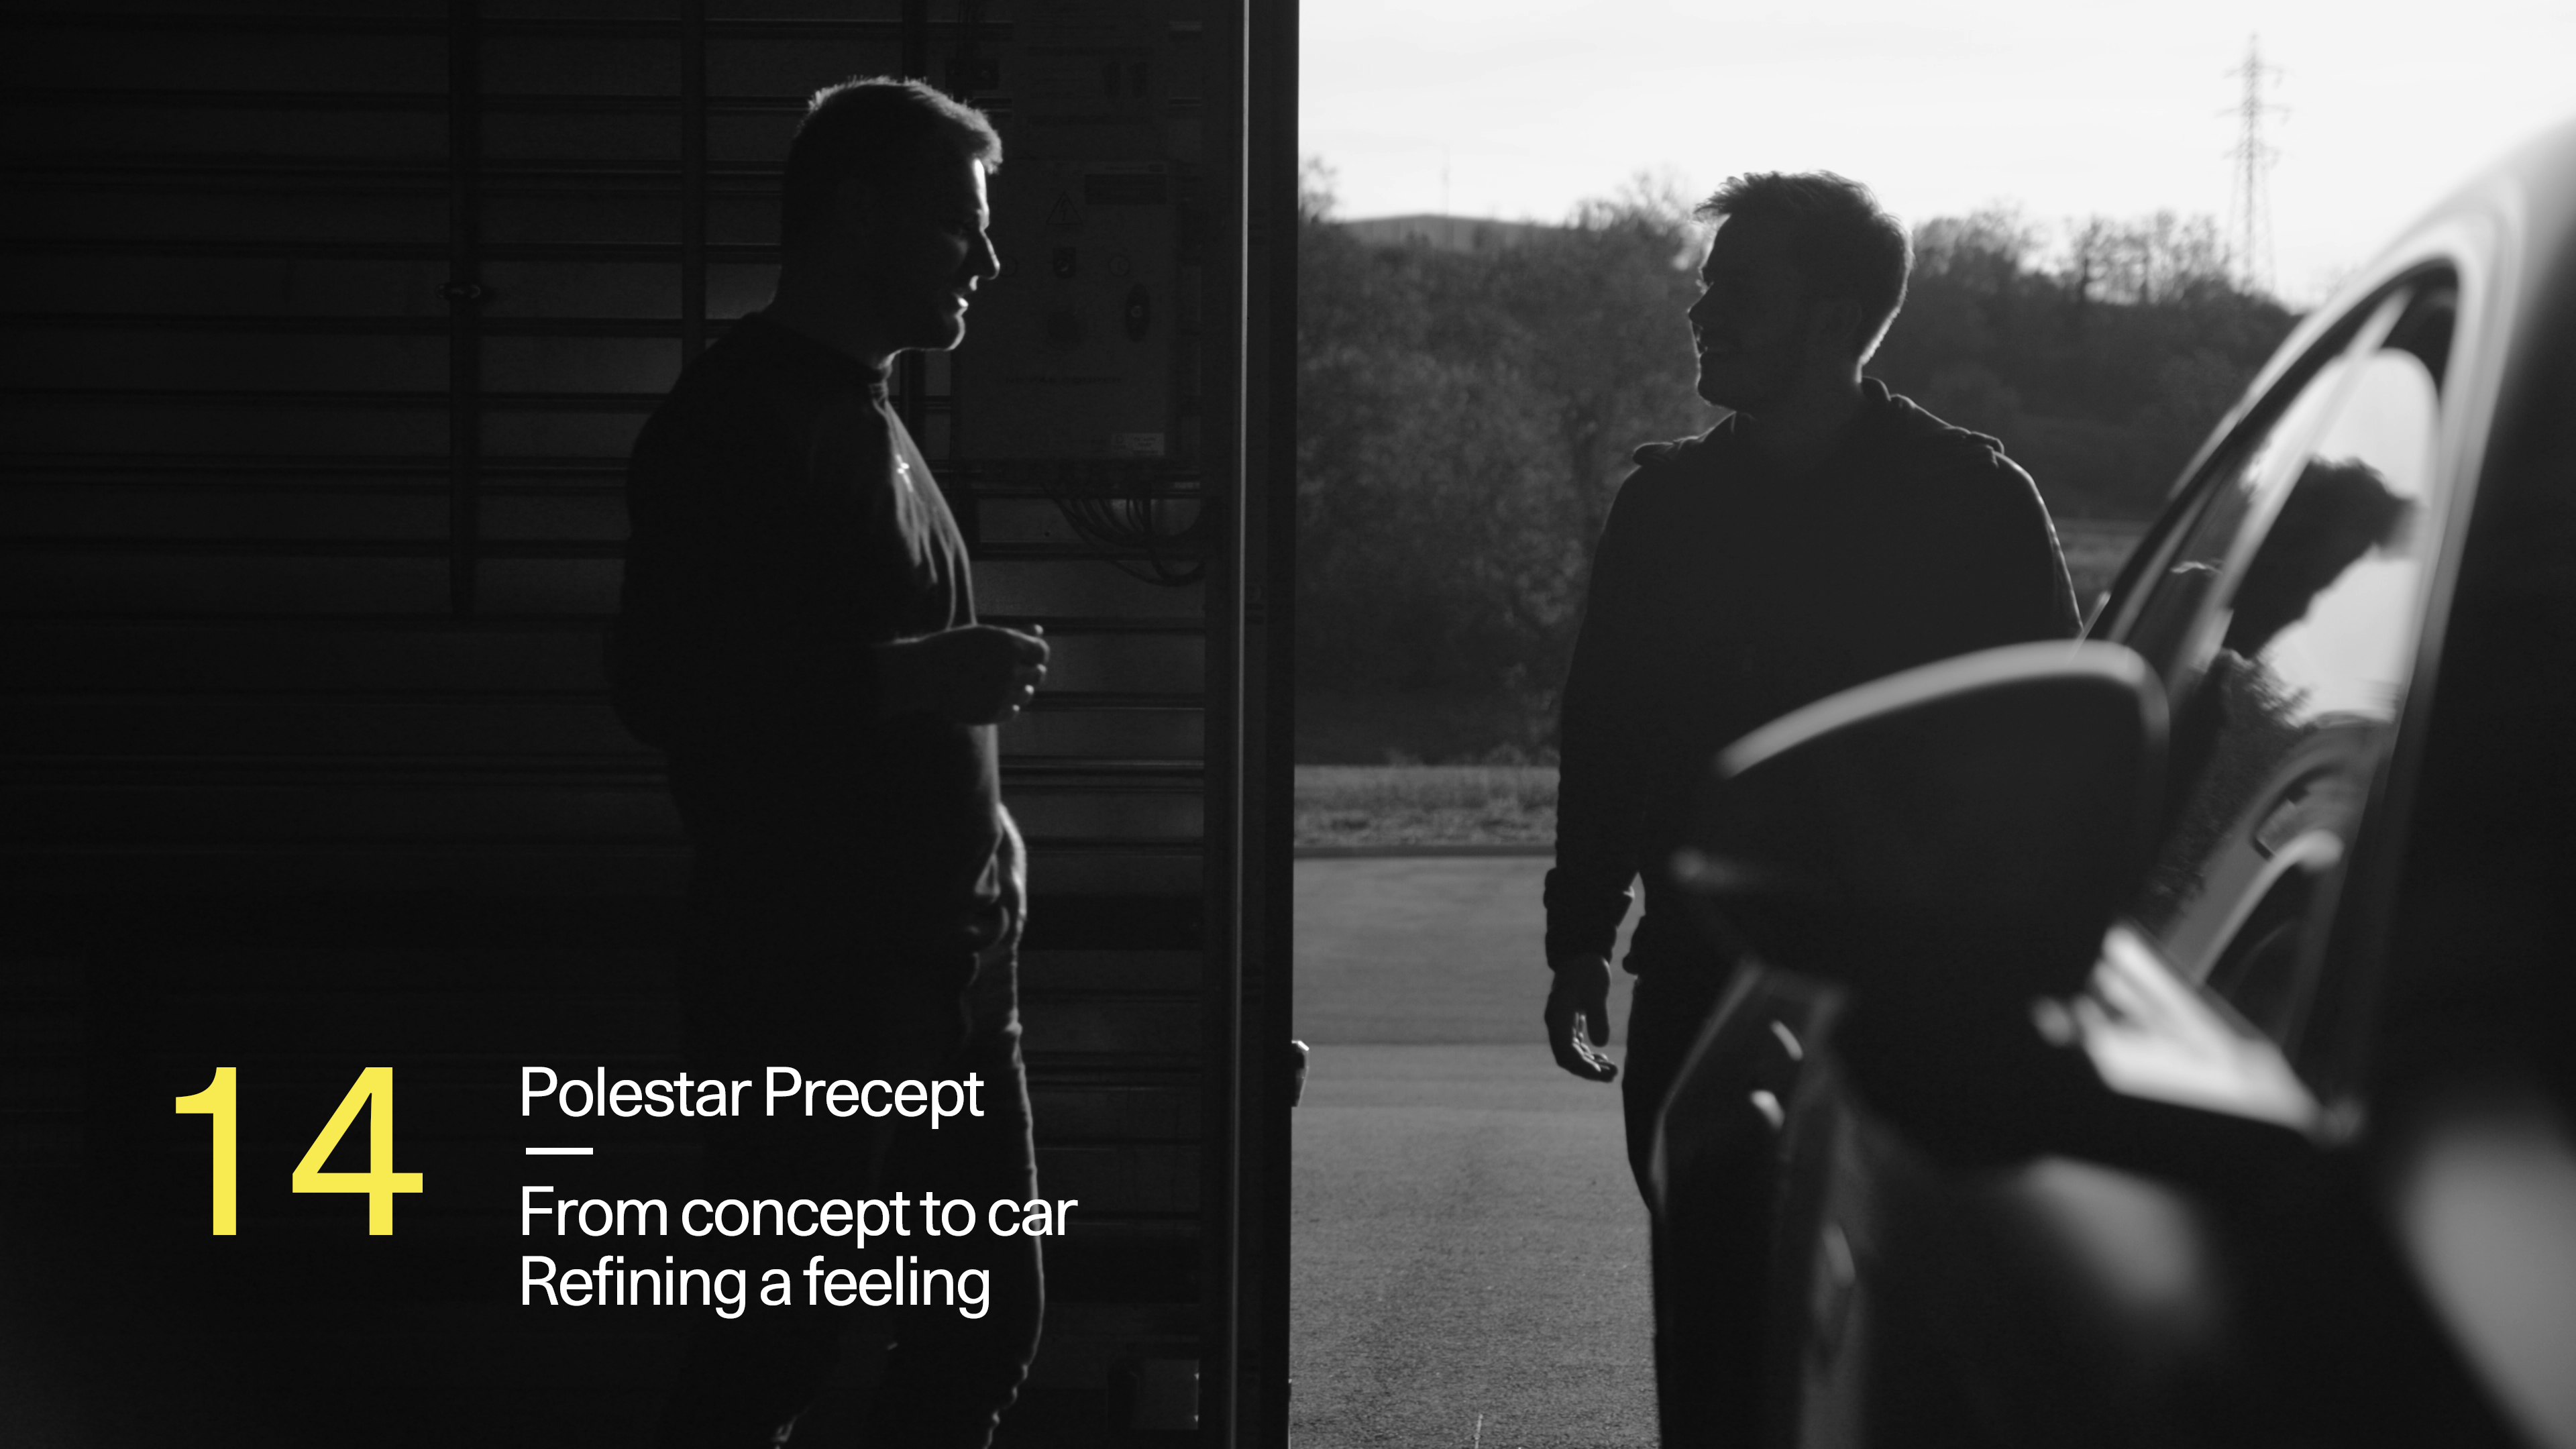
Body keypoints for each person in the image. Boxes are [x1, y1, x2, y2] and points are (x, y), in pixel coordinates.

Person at [1540, 171, 2080, 1428]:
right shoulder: (1663, 506)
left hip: (1916, 1013)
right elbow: (1605, 733)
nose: (1700, 310)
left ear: (1836, 320)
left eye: (1739, 288)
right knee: (1715, 1352)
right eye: (1707, 283)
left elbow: (2052, 749)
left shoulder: (1975, 504)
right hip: (1694, 988)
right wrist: (1577, 939)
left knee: (1893, 1376)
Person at [608, 76, 1050, 1449]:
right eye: (956, 228)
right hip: (819, 984)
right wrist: (921, 680)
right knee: (777, 1346)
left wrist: (992, 840)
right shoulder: (740, 421)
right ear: (857, 216)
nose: (987, 259)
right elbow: (666, 686)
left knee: (977, 1324)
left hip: (947, 979)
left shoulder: (875, 414)